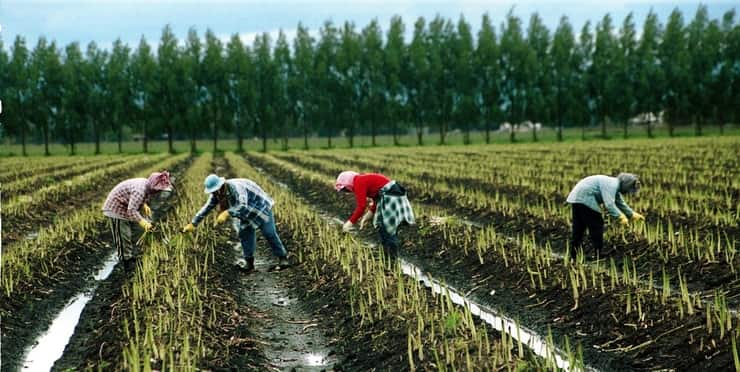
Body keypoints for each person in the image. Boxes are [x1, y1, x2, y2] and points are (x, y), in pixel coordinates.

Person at [182, 174, 289, 273]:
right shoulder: (216, 194)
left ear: (221, 185)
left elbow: (243, 205)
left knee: (269, 233)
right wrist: (193, 223)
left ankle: (283, 258)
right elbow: (206, 208)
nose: (214, 193)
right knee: (244, 234)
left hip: (259, 207)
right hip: (245, 213)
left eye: (215, 190)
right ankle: (249, 263)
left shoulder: (237, 188)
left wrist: (227, 212)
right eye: (212, 191)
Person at [335, 171, 415, 259]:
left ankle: (392, 257)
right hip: (391, 194)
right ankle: (386, 254)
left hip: (391, 196)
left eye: (345, 189)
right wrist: (366, 217)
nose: (347, 191)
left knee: (387, 228)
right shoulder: (361, 180)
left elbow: (362, 206)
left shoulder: (358, 182)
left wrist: (349, 223)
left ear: (348, 183)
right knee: (382, 226)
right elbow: (376, 200)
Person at [102, 171, 173, 269]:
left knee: (137, 231)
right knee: (123, 236)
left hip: (127, 206)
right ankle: (126, 262)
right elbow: (131, 211)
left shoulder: (146, 184)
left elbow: (135, 199)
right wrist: (144, 223)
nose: (159, 192)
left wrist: (144, 205)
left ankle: (132, 254)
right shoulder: (139, 190)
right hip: (116, 209)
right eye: (158, 190)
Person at [566, 173, 645, 258]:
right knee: (597, 224)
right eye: (628, 189)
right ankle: (597, 253)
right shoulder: (612, 185)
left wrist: (632, 214)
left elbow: (620, 203)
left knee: (579, 228)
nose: (627, 192)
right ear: (626, 185)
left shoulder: (614, 185)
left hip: (576, 198)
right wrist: (620, 217)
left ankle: (573, 254)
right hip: (586, 197)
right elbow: (609, 204)